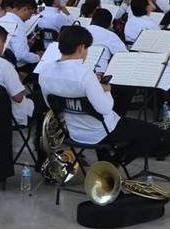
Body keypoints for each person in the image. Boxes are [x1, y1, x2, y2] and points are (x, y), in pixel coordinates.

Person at [38, 26, 162, 164]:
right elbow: (106, 108)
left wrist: (93, 84)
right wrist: (106, 89)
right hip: (101, 132)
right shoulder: (85, 74)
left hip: (73, 132)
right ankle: (112, 165)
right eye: (87, 49)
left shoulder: (45, 70)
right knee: (153, 133)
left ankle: (105, 164)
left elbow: (51, 104)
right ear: (81, 48)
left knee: (103, 118)